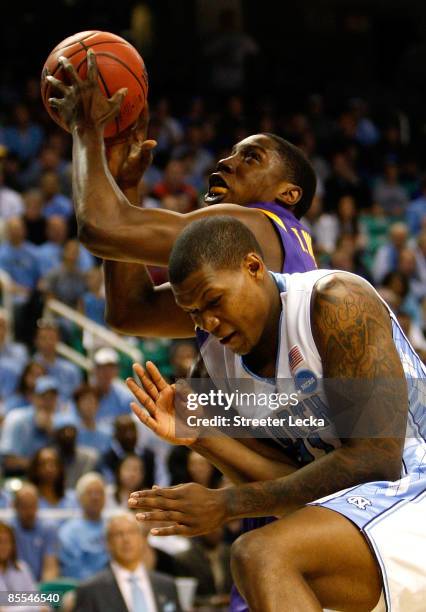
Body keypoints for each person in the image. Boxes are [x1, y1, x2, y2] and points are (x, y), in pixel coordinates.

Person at [47, 51, 317, 612]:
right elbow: (131, 312)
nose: (226, 161)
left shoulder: (262, 227)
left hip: (323, 502)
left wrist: (86, 130)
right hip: (289, 498)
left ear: (287, 194)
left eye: (251, 155)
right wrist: (126, 186)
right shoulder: (239, 284)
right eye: (227, 152)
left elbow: (101, 225)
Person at [126, 216, 425, 611]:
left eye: (214, 301)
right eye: (195, 314)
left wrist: (226, 504)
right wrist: (200, 435)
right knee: (260, 562)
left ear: (253, 267)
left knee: (262, 555)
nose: (209, 324)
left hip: (411, 483)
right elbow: (290, 488)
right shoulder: (213, 373)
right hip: (369, 516)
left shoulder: (335, 300)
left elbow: (376, 460)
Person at [73, 512, 182, 612]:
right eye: (118, 534)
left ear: (142, 540)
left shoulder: (167, 586)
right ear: (108, 543)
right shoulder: (90, 590)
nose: (126, 539)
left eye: (131, 532)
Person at [0, 376, 60, 476]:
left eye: (52, 399)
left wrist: (51, 434)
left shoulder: (57, 425)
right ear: (34, 398)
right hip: (15, 477)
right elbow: (8, 461)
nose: (48, 403)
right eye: (44, 398)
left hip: (43, 479)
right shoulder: (17, 419)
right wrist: (40, 467)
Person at [58, 472, 108, 580]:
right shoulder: (68, 533)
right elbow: (74, 572)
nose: (96, 497)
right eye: (90, 493)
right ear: (79, 498)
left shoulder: (113, 527)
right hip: (85, 589)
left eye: (100, 492)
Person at [11, 484, 59, 582]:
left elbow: (50, 567)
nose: (29, 511)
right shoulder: (8, 530)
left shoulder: (49, 529)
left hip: (40, 587)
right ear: (15, 507)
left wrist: (42, 592)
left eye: (32, 506)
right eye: (24, 506)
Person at [0, 521, 41, 612]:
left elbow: (35, 599)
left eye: (7, 542)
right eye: (0, 542)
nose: (3, 546)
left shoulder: (22, 567)